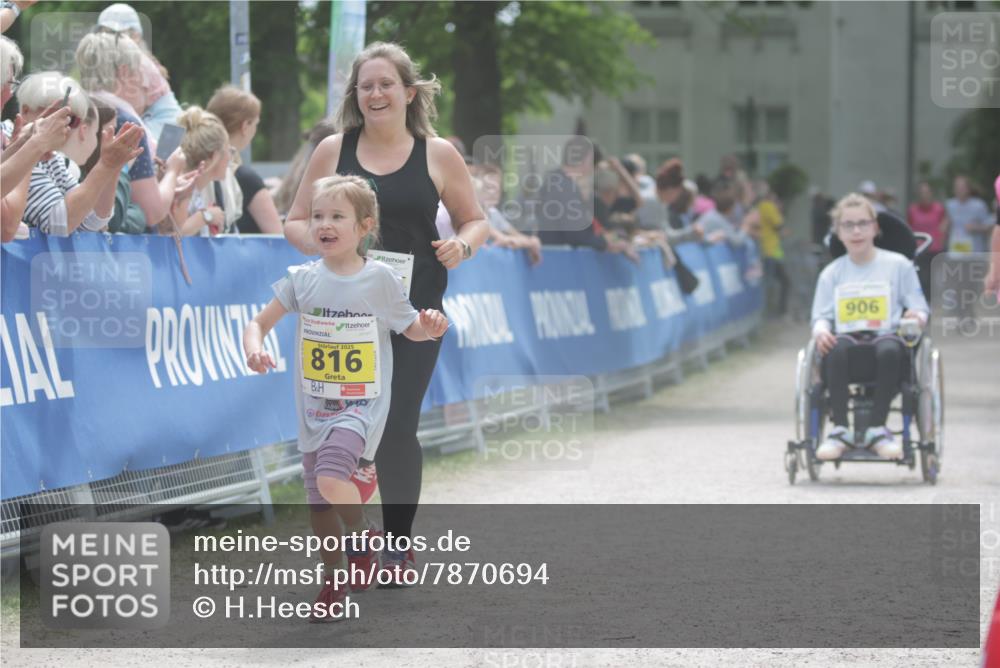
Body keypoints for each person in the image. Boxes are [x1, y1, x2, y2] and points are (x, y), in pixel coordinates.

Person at [283, 42, 489, 584]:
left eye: (385, 85)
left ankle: (397, 547)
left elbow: (476, 221)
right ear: (356, 95)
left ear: (409, 92)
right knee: (340, 434)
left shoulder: (437, 153)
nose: (375, 94)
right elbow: (295, 220)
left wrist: (461, 247)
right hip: (343, 319)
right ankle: (357, 542)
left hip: (414, 311)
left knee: (397, 428)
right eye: (365, 86)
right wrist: (322, 241)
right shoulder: (333, 149)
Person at [244, 174, 448, 618]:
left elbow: (408, 325)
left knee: (333, 480)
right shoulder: (301, 280)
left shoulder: (381, 279)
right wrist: (255, 348)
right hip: (314, 407)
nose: (324, 224)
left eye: (337, 216)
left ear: (364, 227)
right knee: (319, 507)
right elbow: (257, 323)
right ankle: (334, 580)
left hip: (360, 406)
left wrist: (427, 327)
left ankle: (363, 536)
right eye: (318, 215)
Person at [810, 193, 929, 461]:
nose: (856, 231)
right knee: (834, 348)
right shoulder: (832, 273)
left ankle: (878, 429)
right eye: (848, 225)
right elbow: (821, 315)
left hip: (887, 337)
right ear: (838, 233)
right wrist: (821, 331)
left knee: (889, 349)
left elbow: (919, 307)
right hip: (846, 340)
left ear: (875, 227)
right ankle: (840, 430)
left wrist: (915, 317)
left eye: (863, 223)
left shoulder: (899, 265)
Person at [7, 72, 142, 235]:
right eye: (54, 113)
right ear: (25, 111)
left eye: (72, 120)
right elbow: (59, 223)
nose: (64, 124)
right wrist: (106, 166)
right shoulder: (10, 140)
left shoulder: (52, 158)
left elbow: (94, 221)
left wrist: (113, 167)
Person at [76, 31, 181, 228]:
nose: (145, 83)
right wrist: (174, 172)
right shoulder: (127, 124)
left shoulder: (74, 111)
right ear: (123, 72)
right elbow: (153, 212)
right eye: (139, 72)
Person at [96, 3, 182, 139]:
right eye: (103, 33)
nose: (106, 40)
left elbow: (129, 110)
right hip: (169, 127)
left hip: (163, 129)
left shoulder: (136, 63)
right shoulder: (139, 60)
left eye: (114, 34)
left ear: (135, 36)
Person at [207, 85, 282, 234]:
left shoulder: (197, 169)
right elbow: (278, 236)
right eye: (256, 124)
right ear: (245, 125)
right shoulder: (247, 179)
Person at [170, 106, 235, 236]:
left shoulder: (193, 190)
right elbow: (168, 235)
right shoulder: (178, 189)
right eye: (229, 150)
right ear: (214, 157)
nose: (231, 156)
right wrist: (205, 216)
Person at [907, 180, 949, 300]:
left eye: (926, 192)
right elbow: (910, 228)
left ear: (931, 193)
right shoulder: (913, 210)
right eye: (922, 192)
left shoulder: (939, 209)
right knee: (922, 278)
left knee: (935, 279)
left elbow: (944, 224)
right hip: (920, 250)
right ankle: (924, 302)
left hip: (936, 249)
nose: (924, 195)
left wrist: (942, 237)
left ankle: (934, 302)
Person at [757, 182, 790, 317]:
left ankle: (768, 312)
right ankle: (774, 312)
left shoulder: (758, 207)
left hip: (764, 251)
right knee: (781, 282)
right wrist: (778, 210)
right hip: (771, 252)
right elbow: (780, 227)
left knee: (769, 283)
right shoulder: (769, 207)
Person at [945, 174, 991, 254]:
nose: (959, 190)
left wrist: (976, 227)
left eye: (962, 188)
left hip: (975, 252)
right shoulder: (950, 205)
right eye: (957, 187)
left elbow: (989, 227)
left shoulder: (979, 205)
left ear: (968, 189)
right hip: (956, 251)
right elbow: (946, 226)